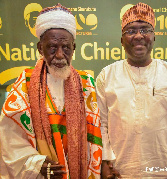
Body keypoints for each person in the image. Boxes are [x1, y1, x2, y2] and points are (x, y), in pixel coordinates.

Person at [96, 2, 167, 179]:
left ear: (154, 37)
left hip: (164, 171)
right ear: (121, 40)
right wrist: (105, 163)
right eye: (131, 31)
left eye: (145, 29)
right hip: (119, 171)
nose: (138, 36)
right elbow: (101, 125)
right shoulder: (107, 76)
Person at [0, 4, 102, 179]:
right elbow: (9, 137)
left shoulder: (86, 84)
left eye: (66, 47)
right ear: (40, 48)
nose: (60, 55)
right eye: (52, 47)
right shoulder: (25, 82)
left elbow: (94, 137)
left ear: (74, 48)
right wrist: (36, 163)